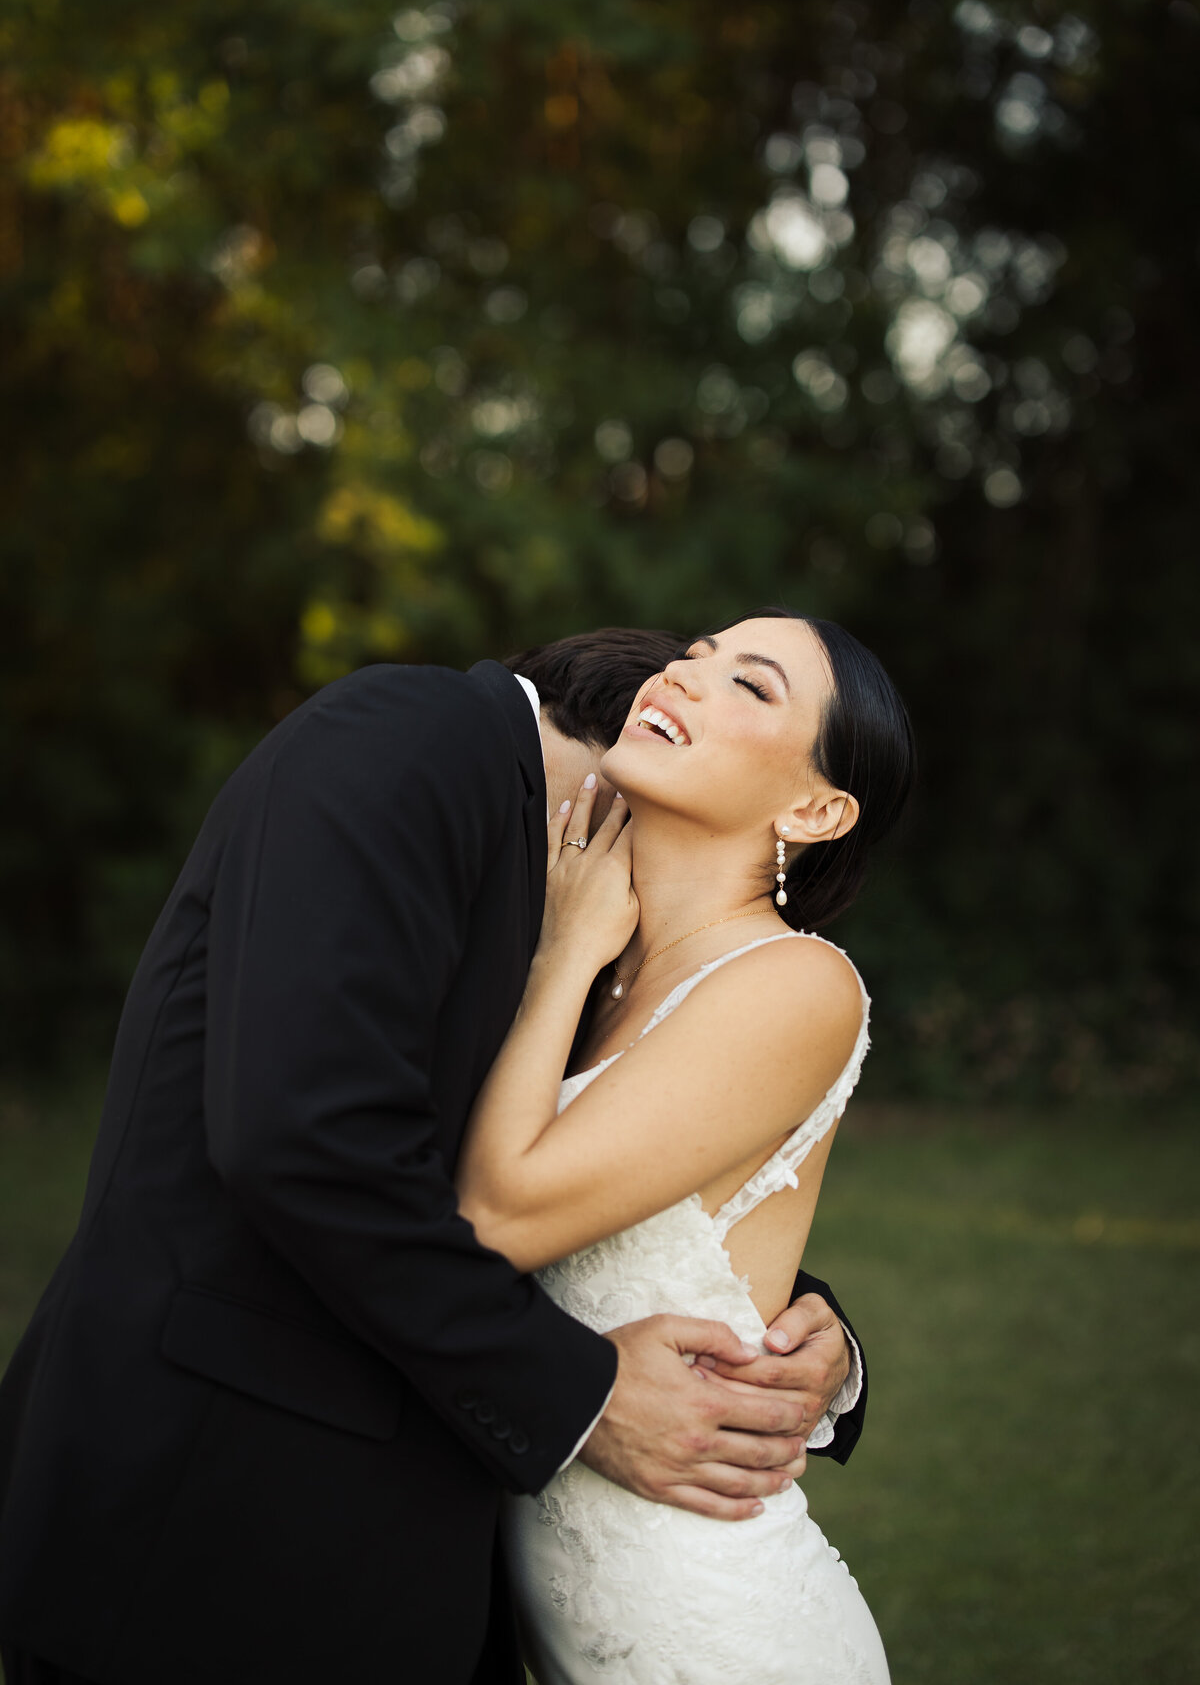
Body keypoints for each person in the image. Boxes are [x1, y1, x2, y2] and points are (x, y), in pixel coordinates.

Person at [0, 627, 867, 1685]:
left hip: (415, 1560)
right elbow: (309, 1135)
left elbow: (603, 1167)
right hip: (210, 1517)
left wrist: (794, 1327)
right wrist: (581, 1394)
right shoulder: (403, 742)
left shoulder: (592, 927)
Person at [457, 610, 914, 1684]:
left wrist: (563, 958)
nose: (685, 678)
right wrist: (574, 953)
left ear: (815, 807)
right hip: (551, 1617)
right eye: (695, 655)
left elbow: (495, 1217)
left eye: (751, 686)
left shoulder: (797, 985)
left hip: (711, 1626)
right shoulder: (600, 960)